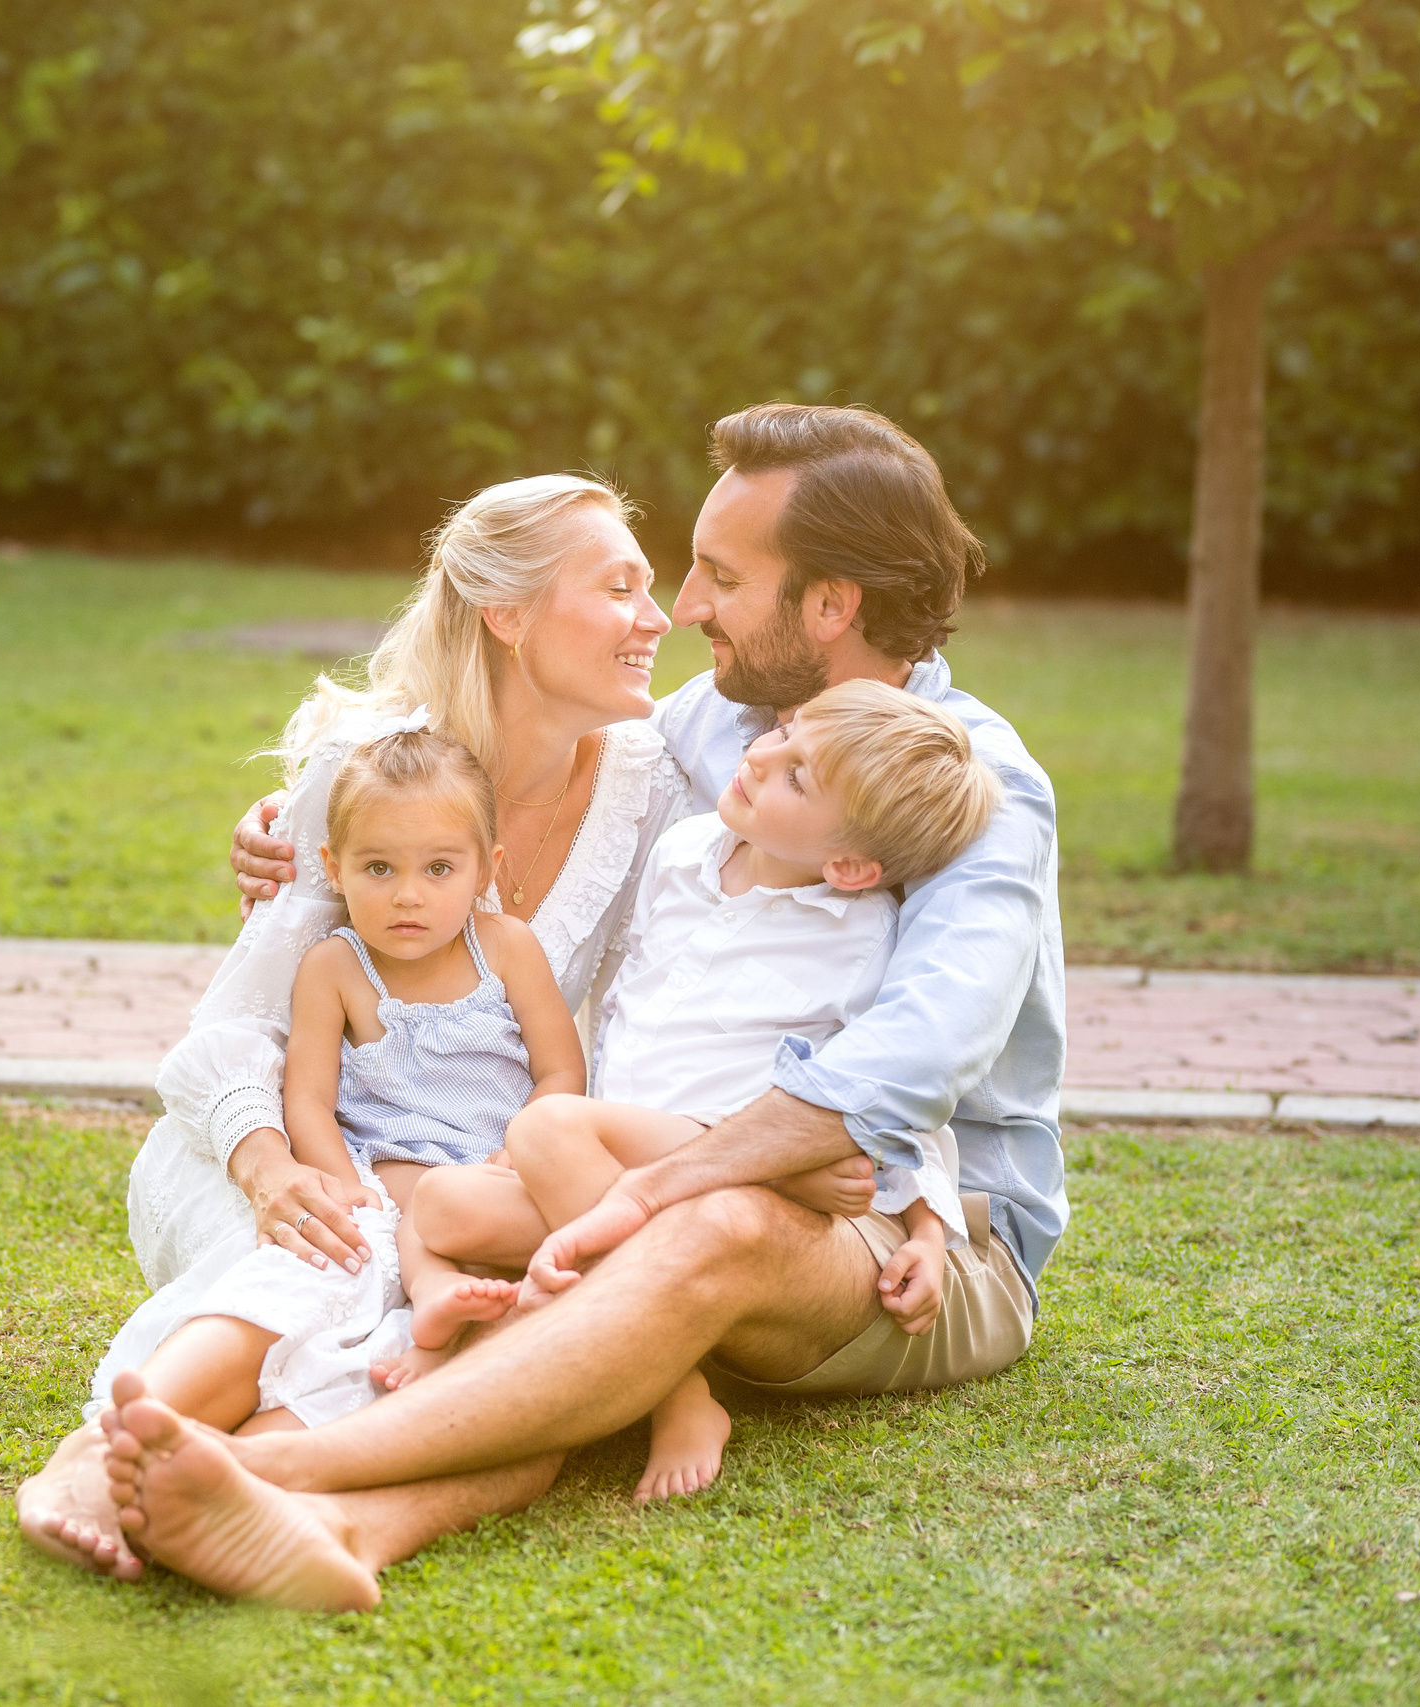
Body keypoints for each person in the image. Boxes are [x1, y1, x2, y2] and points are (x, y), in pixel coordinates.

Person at [99, 401, 1068, 1610]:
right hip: (654, 1166)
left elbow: (916, 1061)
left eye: (720, 578)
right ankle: (347, 1528)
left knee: (698, 1227)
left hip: (923, 1237)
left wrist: (659, 1187)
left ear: (829, 605)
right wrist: (308, 830)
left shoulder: (969, 786)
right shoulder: (722, 728)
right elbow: (516, 742)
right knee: (522, 1267)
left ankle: (277, 1467)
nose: (687, 608)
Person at [15, 473, 696, 1582]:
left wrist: (514, 1177)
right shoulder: (375, 765)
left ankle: (245, 1487)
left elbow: (614, 1039)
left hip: (468, 1171)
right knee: (323, 1263)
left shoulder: (650, 777)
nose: (656, 619)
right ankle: (93, 1457)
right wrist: (278, 1167)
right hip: (270, 1146)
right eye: (619, 588)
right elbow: (232, 1033)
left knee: (469, 1329)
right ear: (506, 613)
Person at [406, 677, 1001, 1502]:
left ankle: (678, 1393)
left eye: (797, 777)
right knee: (442, 1204)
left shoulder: (860, 936)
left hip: (733, 1154)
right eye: (782, 736)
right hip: (627, 1158)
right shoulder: (683, 853)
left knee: (544, 1129)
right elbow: (627, 1015)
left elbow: (902, 1092)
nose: (760, 757)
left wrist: (928, 1232)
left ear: (848, 864)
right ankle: (603, 1312)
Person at [129, 726, 588, 1449]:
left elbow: (562, 1070)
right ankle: (430, 1301)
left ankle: (451, 1321)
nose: (408, 895)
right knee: (403, 1224)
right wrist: (349, 1185)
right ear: (333, 868)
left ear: (485, 868)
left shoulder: (506, 948)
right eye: (378, 868)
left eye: (439, 869)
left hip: (502, 1159)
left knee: (497, 1228)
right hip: (394, 1165)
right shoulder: (336, 967)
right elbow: (308, 1099)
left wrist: (522, 1149)